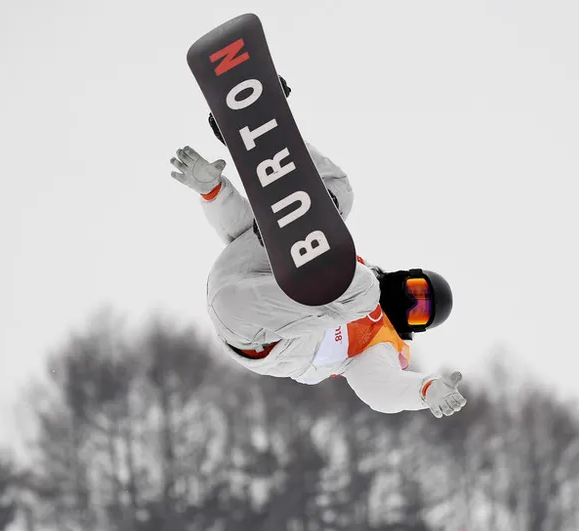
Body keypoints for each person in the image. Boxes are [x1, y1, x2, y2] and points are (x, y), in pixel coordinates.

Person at [168, 86, 467, 418]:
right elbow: (240, 238)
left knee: (361, 286)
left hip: (261, 335)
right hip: (242, 274)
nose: (410, 302)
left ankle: (288, 236)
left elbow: (383, 390)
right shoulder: (350, 269)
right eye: (417, 293)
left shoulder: (382, 343)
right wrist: (213, 191)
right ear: (407, 277)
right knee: (342, 198)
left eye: (419, 310)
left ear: (415, 326)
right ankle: (263, 138)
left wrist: (424, 390)